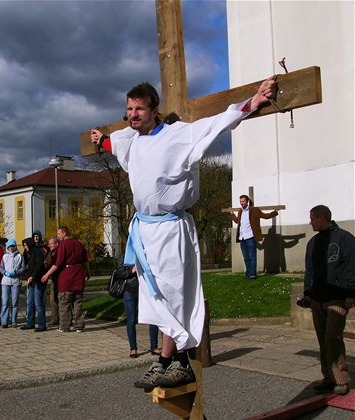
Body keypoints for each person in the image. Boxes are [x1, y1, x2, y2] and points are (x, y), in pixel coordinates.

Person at [90, 76, 276, 390]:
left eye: (139, 109)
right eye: (129, 109)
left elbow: (218, 123)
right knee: (154, 295)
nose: (133, 114)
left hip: (172, 228)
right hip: (145, 232)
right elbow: (116, 145)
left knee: (175, 293)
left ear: (154, 110)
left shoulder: (179, 135)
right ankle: (164, 359)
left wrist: (253, 102)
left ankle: (183, 361)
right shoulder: (131, 140)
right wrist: (101, 140)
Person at [297, 205, 355, 396]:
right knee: (323, 340)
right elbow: (310, 270)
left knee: (333, 338)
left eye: (312, 218)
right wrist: (307, 293)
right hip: (317, 299)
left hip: (337, 299)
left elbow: (352, 266)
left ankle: (341, 379)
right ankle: (328, 377)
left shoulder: (344, 239)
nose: (310, 222)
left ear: (322, 218)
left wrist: (351, 293)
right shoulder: (313, 243)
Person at [42, 227, 90, 333]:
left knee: (64, 302)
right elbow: (86, 260)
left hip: (66, 276)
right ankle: (79, 325)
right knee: (78, 302)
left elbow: (57, 263)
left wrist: (47, 274)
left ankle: (64, 326)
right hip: (78, 275)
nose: (58, 236)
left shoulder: (63, 245)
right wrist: (87, 272)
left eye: (59, 233)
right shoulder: (79, 244)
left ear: (64, 233)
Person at [230, 195, 279, 279]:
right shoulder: (240, 212)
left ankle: (253, 274)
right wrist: (232, 214)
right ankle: (248, 273)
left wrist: (275, 212)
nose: (242, 203)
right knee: (246, 257)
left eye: (243, 201)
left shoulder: (254, 210)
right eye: (240, 201)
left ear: (247, 201)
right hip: (242, 238)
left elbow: (265, 216)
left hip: (250, 237)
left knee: (252, 257)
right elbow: (237, 221)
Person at [122, 265, 161, 358]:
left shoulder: (148, 252)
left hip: (148, 289)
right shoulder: (127, 255)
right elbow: (119, 273)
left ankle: (154, 347)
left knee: (153, 317)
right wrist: (131, 271)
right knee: (131, 319)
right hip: (130, 290)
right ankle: (133, 348)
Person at [21, 237, 47, 332]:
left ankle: (42, 325)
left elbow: (39, 266)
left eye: (26, 245)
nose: (25, 247)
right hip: (31, 281)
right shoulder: (29, 254)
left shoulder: (37, 252)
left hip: (38, 281)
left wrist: (33, 276)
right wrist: (27, 277)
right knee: (30, 303)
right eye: (24, 246)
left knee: (38, 303)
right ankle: (30, 323)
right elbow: (29, 267)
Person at [0, 239, 25, 328]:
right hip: (5, 282)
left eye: (12, 246)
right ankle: (4, 321)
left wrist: (16, 272)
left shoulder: (19, 256)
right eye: (9, 246)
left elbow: (23, 268)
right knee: (5, 302)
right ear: (7, 247)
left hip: (15, 282)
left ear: (15, 246)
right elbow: (1, 267)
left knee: (14, 303)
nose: (11, 248)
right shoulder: (4, 256)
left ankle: (14, 321)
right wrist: (5, 272)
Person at [44, 236, 60, 326]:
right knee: (52, 299)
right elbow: (48, 263)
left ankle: (64, 318)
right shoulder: (50, 253)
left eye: (51, 243)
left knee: (62, 299)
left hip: (61, 278)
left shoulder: (60, 252)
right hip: (54, 279)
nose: (49, 245)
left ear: (56, 244)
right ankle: (55, 318)